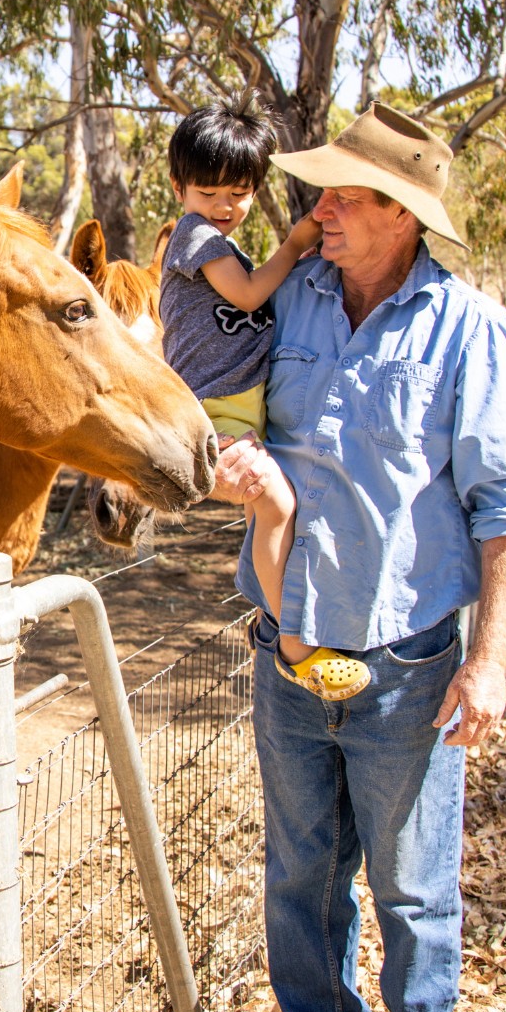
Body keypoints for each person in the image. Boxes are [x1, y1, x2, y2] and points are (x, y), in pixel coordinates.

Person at [206, 102, 506, 1012]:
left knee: (409, 891)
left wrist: (486, 663)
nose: (322, 211)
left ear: (401, 214)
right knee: (301, 875)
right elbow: (209, 380)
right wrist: (224, 457)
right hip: (285, 653)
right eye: (320, 193)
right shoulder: (289, 303)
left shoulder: (467, 330)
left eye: (346, 197)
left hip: (404, 669)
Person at [155, 98, 371, 699]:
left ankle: (271, 613)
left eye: (239, 193)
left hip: (237, 408)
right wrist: (299, 239)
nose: (224, 207)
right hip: (214, 408)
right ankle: (296, 648)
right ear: (180, 189)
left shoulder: (214, 236)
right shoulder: (195, 237)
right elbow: (249, 297)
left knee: (269, 511)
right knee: (275, 506)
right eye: (209, 192)